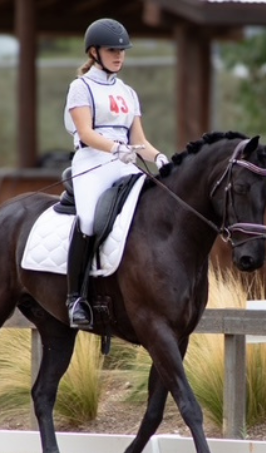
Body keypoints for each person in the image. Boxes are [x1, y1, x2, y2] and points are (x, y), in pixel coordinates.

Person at [63, 18, 168, 328]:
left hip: (124, 162)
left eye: (122, 50)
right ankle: (75, 298)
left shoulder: (128, 92)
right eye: (112, 50)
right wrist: (113, 148)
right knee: (90, 220)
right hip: (92, 163)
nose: (119, 55)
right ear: (94, 52)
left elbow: (139, 141)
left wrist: (159, 157)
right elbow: (85, 132)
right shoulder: (80, 87)